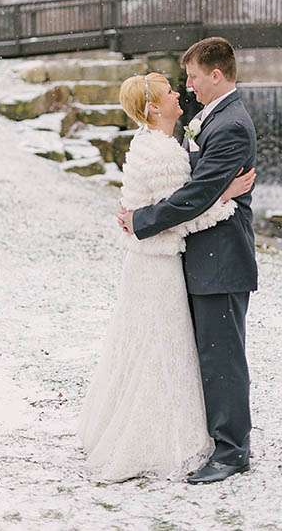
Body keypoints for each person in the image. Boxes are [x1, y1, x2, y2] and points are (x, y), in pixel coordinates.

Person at [78, 72, 255, 482]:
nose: (181, 92)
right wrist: (226, 194)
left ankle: (212, 441)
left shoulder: (156, 143)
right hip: (159, 264)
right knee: (162, 351)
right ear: (154, 107)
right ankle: (165, 439)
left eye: (184, 82)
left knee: (158, 349)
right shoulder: (159, 150)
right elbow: (181, 214)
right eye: (172, 90)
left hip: (155, 264)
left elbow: (182, 182)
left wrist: (149, 214)